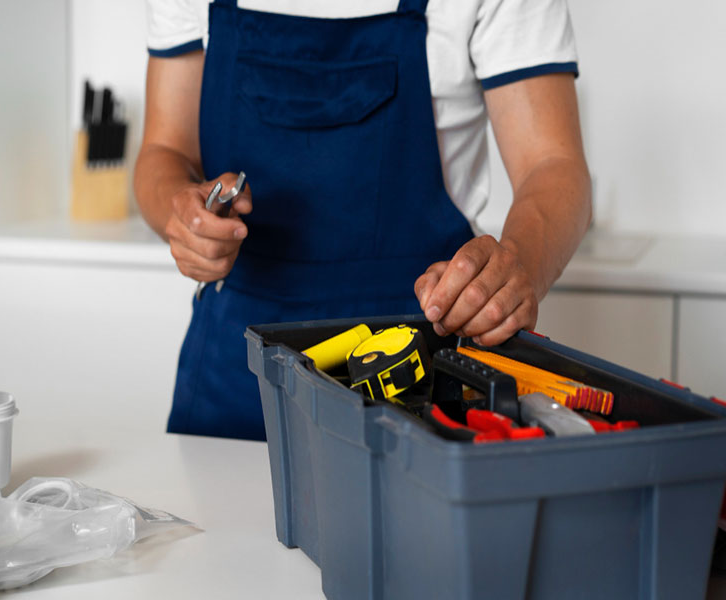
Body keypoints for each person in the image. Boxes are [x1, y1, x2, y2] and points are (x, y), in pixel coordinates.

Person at [134, 0, 592, 440]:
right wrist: (183, 215)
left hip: (422, 363)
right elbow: (163, 151)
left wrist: (518, 266)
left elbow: (551, 164)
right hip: (236, 364)